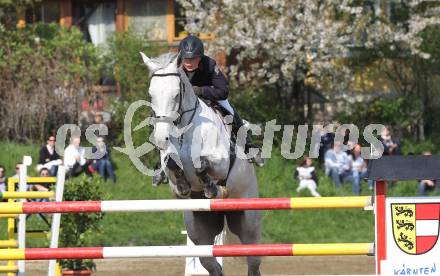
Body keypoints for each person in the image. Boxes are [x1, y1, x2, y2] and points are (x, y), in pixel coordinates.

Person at [152, 34, 264, 186]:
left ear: (200, 57)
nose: (189, 62)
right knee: (160, 118)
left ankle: (249, 147)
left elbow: (223, 91)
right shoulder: (175, 68)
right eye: (186, 59)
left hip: (209, 98)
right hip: (184, 105)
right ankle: (160, 163)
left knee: (229, 108)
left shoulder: (210, 64)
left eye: (193, 59)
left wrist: (200, 90)